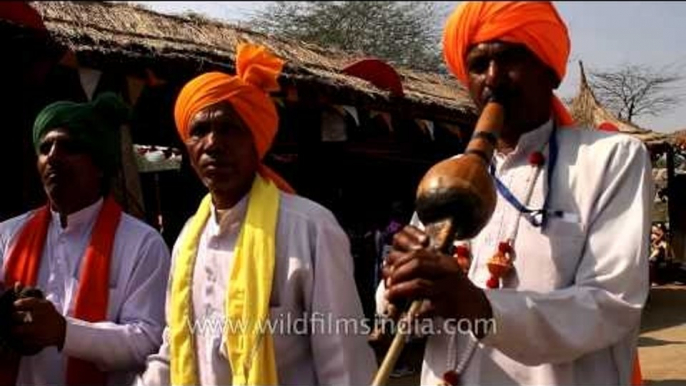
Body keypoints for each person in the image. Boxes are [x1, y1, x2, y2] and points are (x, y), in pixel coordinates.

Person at [378, 2, 653, 385]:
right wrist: (398, 286)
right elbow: (405, 310)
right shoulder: (449, 174)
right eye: (477, 65)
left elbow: (610, 304)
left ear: (550, 72)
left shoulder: (610, 158)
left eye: (510, 59)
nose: (493, 78)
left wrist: (477, 305)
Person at [138, 43, 377, 386]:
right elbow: (175, 347)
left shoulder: (310, 229)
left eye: (229, 129)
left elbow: (345, 363)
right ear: (187, 148)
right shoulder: (189, 238)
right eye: (199, 132)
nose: (212, 144)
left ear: (256, 140)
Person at [0, 93, 171, 385]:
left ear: (100, 165)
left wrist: (64, 332)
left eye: (69, 146)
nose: (52, 155)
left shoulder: (142, 243)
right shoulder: (7, 234)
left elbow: (148, 341)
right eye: (45, 147)